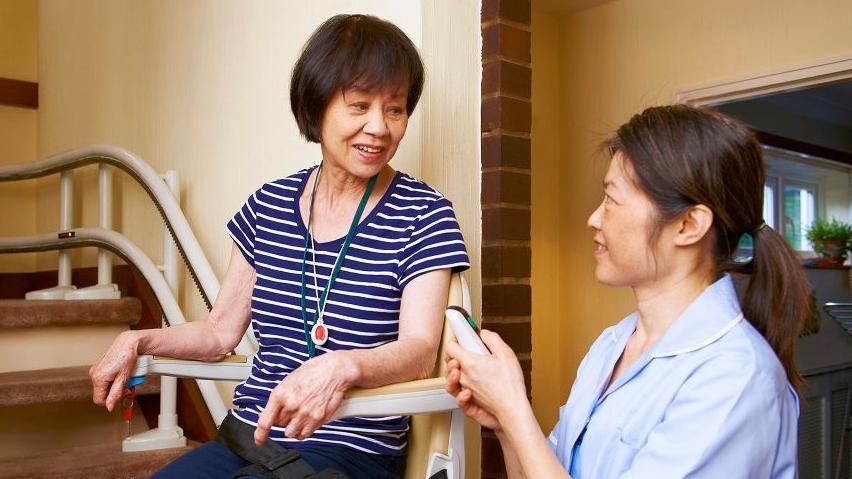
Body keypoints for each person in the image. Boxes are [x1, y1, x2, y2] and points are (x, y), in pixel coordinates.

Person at [89, 14, 469, 479]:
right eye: (359, 105)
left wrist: (342, 367)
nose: (379, 127)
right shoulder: (268, 205)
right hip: (247, 437)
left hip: (349, 453)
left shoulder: (423, 212)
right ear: (316, 106)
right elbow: (218, 332)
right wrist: (139, 338)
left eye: (395, 109)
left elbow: (418, 353)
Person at [446, 105, 810, 478]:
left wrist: (513, 408)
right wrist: (506, 427)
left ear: (688, 225)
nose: (594, 219)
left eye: (612, 199)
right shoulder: (612, 345)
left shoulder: (736, 378)